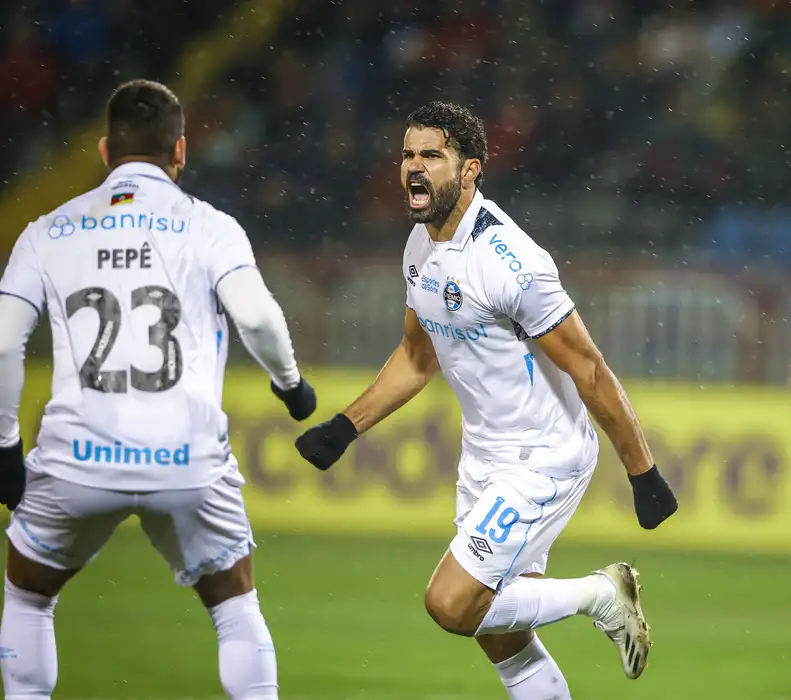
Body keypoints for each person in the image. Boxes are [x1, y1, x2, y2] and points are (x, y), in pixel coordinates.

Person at [294, 100, 678, 699]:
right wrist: (344, 427)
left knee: (452, 603)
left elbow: (591, 371)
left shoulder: (512, 264)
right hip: (485, 455)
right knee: (498, 633)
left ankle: (601, 595)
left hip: (542, 456)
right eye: (407, 154)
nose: (413, 168)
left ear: (470, 170)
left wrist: (643, 472)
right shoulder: (418, 249)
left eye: (432, 156)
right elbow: (418, 357)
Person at [0, 79, 317, 700]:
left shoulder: (47, 232)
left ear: (102, 150)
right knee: (233, 606)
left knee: (29, 596)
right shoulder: (210, 227)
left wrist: (5, 444)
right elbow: (255, 317)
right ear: (181, 150)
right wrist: (292, 387)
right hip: (187, 458)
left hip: (78, 459)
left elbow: (4, 341)